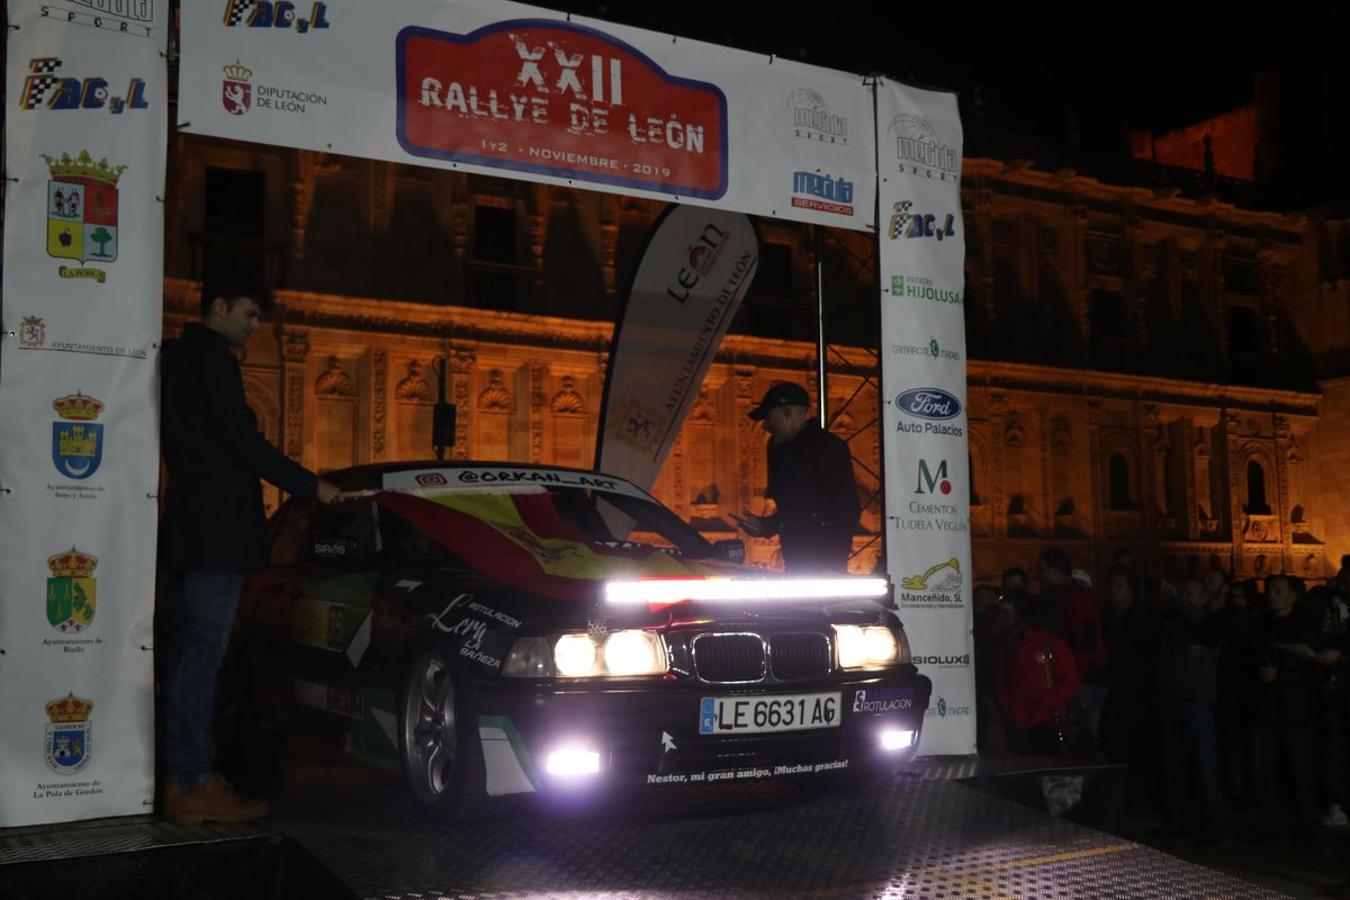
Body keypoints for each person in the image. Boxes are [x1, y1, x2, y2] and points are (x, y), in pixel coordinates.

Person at [158, 280, 339, 824]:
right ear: (218, 308)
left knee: (189, 658)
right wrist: (311, 486)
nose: (253, 325)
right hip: (216, 534)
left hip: (195, 530)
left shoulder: (180, 359)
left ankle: (184, 776)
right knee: (201, 659)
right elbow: (242, 442)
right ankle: (191, 782)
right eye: (248, 313)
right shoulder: (210, 363)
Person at [734, 381, 859, 574]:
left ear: (787, 412)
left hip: (821, 569)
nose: (766, 425)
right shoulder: (783, 451)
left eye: (769, 417)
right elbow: (797, 511)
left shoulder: (827, 448)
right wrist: (765, 526)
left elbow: (844, 510)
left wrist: (829, 565)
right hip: (797, 565)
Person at [1246, 574, 1322, 843]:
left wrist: (1282, 674)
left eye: (1279, 591)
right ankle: (1267, 823)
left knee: (1300, 767)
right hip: (1265, 707)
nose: (1273, 596)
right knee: (1262, 767)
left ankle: (1305, 826)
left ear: (1292, 594)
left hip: (1295, 707)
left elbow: (1313, 664)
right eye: (1270, 591)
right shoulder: (1261, 623)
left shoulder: (1305, 624)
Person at [1156, 578, 1227, 842]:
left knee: (1206, 765)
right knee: (1174, 765)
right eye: (1183, 594)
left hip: (1197, 704)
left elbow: (1201, 626)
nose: (1184, 599)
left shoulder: (1209, 624)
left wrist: (1180, 602)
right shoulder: (1173, 625)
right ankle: (1178, 819)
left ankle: (1213, 822)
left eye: (1191, 594)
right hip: (1171, 702)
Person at [992, 598, 1083, 757]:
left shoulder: (1049, 643)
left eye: (1007, 613)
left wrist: (1046, 699)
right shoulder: (1005, 646)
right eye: (999, 612)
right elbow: (1003, 681)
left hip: (1043, 720)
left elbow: (1071, 681)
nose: (1001, 617)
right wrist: (1006, 705)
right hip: (1017, 721)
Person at [1038, 549, 1108, 745]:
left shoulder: (1076, 598)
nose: (1040, 575)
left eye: (1042, 570)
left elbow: (1087, 641)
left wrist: (1078, 678)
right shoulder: (1059, 597)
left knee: (1082, 739)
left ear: (1055, 571)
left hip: (1082, 680)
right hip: (1072, 678)